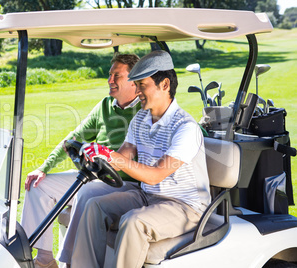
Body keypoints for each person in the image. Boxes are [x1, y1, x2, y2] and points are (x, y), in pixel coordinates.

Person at [70, 50, 211, 268]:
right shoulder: (141, 118)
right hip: (148, 196)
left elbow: (155, 176)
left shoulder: (185, 128)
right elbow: (124, 155)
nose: (137, 92)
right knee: (94, 207)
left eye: (142, 85)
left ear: (164, 84)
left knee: (134, 222)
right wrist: (99, 156)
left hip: (185, 207)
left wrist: (112, 157)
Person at [20, 54, 141, 268]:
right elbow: (73, 139)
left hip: (123, 183)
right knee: (37, 186)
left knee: (86, 192)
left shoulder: (145, 111)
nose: (110, 80)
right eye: (109, 75)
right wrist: (43, 168)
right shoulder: (105, 106)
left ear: (134, 80)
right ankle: (44, 260)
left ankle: (70, 262)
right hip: (93, 176)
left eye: (117, 75)